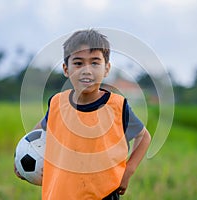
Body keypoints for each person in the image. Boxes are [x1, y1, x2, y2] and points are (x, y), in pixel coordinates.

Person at [15, 29, 151, 200]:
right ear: (66, 69)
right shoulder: (58, 103)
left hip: (103, 194)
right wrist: (22, 159)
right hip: (60, 194)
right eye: (78, 63)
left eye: (95, 63)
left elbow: (143, 137)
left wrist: (128, 172)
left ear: (106, 68)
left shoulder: (117, 106)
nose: (87, 70)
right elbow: (38, 135)